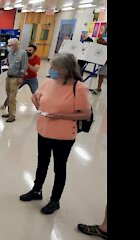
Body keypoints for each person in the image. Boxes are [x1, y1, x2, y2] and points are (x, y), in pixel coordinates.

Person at [19, 53, 91, 214]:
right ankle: (36, 190)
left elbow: (85, 114)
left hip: (63, 136)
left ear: (65, 70)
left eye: (54, 68)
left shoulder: (78, 88)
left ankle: (55, 200)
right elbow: (36, 96)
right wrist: (36, 102)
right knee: (42, 163)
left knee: (59, 167)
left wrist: (60, 116)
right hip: (43, 131)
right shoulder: (49, 82)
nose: (50, 70)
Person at [0, 44, 41, 110]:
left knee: (36, 94)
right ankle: (4, 105)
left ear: (34, 51)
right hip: (21, 77)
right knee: (12, 92)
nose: (27, 51)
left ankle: (40, 108)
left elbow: (36, 69)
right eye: (26, 50)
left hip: (32, 78)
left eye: (30, 50)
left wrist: (27, 64)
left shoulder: (37, 58)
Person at [2, 38, 28, 122]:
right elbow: (9, 64)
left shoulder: (22, 53)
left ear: (16, 45)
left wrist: (21, 77)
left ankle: (12, 116)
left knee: (12, 98)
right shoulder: (9, 53)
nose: (8, 47)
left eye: (10, 45)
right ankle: (9, 112)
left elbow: (24, 66)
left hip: (16, 78)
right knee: (9, 96)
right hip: (8, 76)